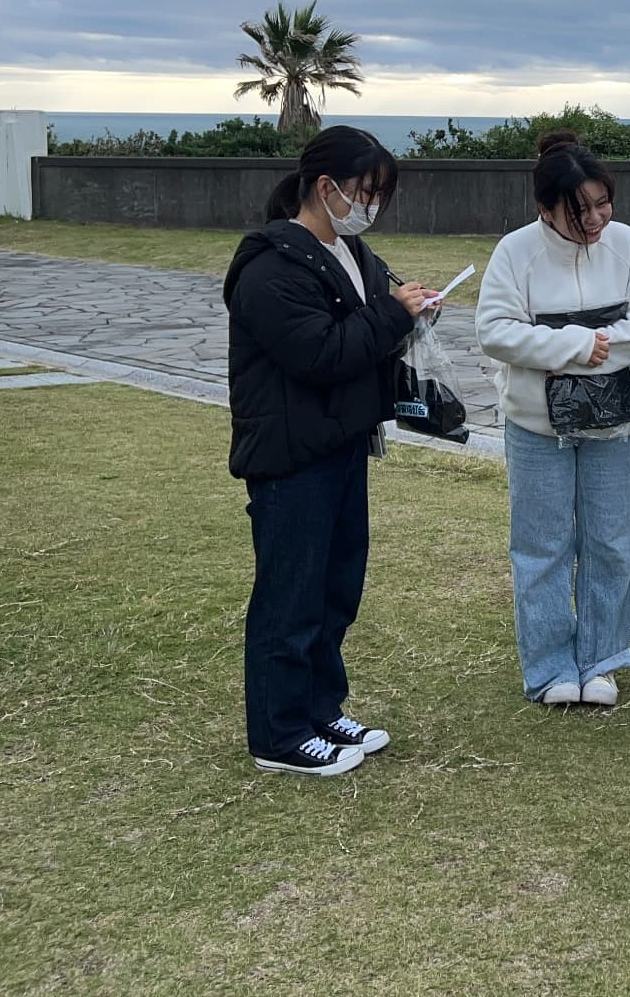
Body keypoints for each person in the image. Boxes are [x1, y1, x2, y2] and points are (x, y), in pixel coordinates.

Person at [224, 126, 438, 777]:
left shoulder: (353, 253)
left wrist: (413, 313)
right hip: (291, 453)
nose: (370, 206)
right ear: (326, 187)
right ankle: (279, 734)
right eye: (364, 192)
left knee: (333, 589)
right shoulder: (270, 263)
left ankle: (320, 707)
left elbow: (371, 332)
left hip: (343, 441)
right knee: (289, 597)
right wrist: (394, 318)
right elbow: (318, 354)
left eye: (379, 196)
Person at [476, 131, 630, 708]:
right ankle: (550, 667)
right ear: (544, 207)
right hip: (536, 424)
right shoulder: (516, 252)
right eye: (577, 209)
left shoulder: (626, 243)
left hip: (611, 421)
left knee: (610, 539)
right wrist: (575, 346)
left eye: (602, 204)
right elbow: (494, 329)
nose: (594, 219)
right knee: (542, 545)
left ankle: (601, 659)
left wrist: (602, 345)